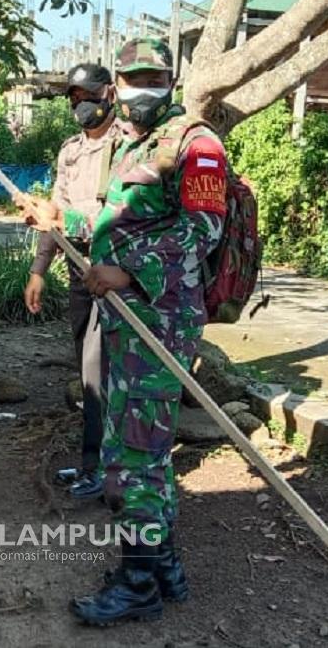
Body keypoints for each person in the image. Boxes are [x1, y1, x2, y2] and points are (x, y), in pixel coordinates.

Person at [63, 39, 227, 624]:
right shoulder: (139, 143)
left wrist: (129, 269)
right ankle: (164, 567)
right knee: (141, 451)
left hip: (159, 320)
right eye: (131, 77)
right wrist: (62, 220)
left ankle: (138, 585)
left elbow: (201, 230)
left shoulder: (196, 144)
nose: (140, 87)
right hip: (127, 320)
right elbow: (122, 217)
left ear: (171, 77)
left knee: (135, 454)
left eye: (152, 75)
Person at [24, 63, 129, 500]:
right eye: (73, 98)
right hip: (78, 276)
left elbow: (120, 217)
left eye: (88, 95)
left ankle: (106, 469)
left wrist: (67, 220)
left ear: (108, 92)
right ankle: (96, 462)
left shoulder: (128, 146)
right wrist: (38, 270)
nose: (81, 104)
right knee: (89, 376)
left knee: (101, 373)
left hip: (117, 279)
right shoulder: (70, 151)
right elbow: (55, 213)